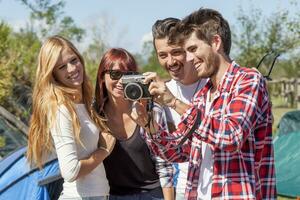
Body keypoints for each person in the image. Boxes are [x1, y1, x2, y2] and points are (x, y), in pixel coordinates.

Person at [143, 8, 277, 199]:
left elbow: (231, 136)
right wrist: (150, 127)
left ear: (215, 42)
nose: (188, 58)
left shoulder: (248, 80)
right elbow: (179, 152)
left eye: (193, 49)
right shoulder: (202, 96)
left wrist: (174, 102)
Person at [27, 35, 115, 200]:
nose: (72, 69)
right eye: (62, 67)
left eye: (73, 60)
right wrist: (103, 151)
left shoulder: (84, 103)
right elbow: (70, 172)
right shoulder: (61, 109)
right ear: (53, 75)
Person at [94, 48, 174, 200]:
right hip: (112, 195)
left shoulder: (150, 109)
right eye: (115, 74)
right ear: (102, 77)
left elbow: (164, 164)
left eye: (128, 75)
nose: (121, 81)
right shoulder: (95, 115)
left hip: (152, 194)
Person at [152, 17, 206, 200]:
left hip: (220, 188)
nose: (170, 62)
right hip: (185, 188)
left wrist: (174, 102)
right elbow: (165, 155)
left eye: (176, 52)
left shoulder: (211, 84)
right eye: (162, 55)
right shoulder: (162, 93)